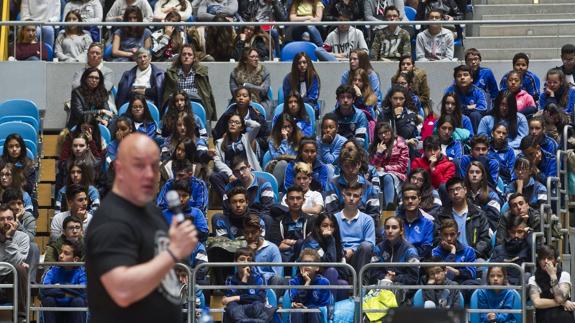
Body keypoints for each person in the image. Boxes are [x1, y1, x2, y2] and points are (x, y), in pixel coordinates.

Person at [86, 134, 199, 322]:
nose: (149, 174)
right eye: (139, 165)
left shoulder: (150, 210)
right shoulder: (111, 220)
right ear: (119, 169)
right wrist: (172, 252)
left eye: (154, 166)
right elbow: (122, 289)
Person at [435, 177, 491, 260]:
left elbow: (484, 240)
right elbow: (437, 238)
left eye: (458, 189)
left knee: (483, 267)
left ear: (465, 190)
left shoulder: (478, 213)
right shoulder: (441, 215)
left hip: (474, 258)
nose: (455, 192)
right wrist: (449, 250)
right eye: (451, 190)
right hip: (447, 255)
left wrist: (471, 254)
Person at [211, 113, 262, 198]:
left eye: (236, 122)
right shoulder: (219, 143)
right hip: (230, 174)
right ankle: (227, 200)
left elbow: (257, 125)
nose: (233, 124)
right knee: (214, 176)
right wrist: (230, 174)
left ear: (242, 127)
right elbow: (217, 161)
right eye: (231, 122)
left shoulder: (247, 137)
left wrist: (243, 121)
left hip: (246, 171)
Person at [162, 45, 217, 122]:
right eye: (184, 54)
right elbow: (167, 93)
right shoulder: (172, 72)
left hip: (196, 102)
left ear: (194, 58)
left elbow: (207, 93)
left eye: (189, 54)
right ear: (180, 57)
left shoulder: (201, 72)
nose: (186, 57)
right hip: (178, 103)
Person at [325, 149, 381, 222]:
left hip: (363, 227)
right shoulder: (332, 184)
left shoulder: (369, 187)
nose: (350, 170)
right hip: (338, 227)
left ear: (359, 164)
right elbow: (331, 213)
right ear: (341, 166)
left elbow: (373, 215)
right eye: (346, 166)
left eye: (353, 165)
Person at [301, 212, 347, 300]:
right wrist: (330, 241)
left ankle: (337, 311)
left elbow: (340, 265)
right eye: (325, 226)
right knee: (331, 271)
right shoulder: (311, 242)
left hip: (328, 277)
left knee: (343, 284)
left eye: (332, 226)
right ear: (318, 228)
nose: (329, 229)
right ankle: (328, 306)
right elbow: (329, 263)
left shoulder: (335, 241)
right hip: (310, 277)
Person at [222, 247, 275, 322]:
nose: (245, 262)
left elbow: (260, 298)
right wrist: (244, 280)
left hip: (254, 309)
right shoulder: (230, 279)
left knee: (257, 305)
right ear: (235, 261)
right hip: (238, 309)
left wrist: (236, 297)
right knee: (232, 307)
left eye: (249, 260)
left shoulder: (259, 278)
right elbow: (228, 301)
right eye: (242, 259)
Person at [40, 239, 87, 323]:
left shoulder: (82, 272)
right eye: (61, 252)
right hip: (56, 310)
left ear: (75, 259)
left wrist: (60, 286)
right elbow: (44, 289)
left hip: (73, 311)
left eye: (66, 253)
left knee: (78, 301)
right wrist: (71, 291)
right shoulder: (53, 269)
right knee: (48, 300)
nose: (61, 255)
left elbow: (83, 291)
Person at [334, 181, 376, 270]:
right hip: (338, 255)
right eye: (349, 194)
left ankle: (361, 282)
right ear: (343, 195)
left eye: (356, 196)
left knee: (366, 246)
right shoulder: (334, 218)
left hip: (359, 256)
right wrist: (342, 252)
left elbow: (370, 244)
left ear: (360, 198)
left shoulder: (367, 220)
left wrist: (353, 250)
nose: (352, 198)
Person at [528, 245, 575, 323]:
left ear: (556, 260)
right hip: (544, 319)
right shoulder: (533, 279)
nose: (546, 261)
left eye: (549, 258)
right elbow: (537, 303)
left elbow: (560, 298)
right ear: (538, 261)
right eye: (543, 258)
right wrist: (564, 303)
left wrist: (553, 276)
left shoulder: (564, 275)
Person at [369, 121, 408, 210]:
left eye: (386, 132)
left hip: (397, 174)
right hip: (378, 174)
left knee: (387, 177)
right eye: (380, 133)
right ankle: (374, 207)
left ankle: (389, 208)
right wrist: (379, 153)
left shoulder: (401, 144)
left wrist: (385, 168)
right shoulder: (375, 146)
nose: (383, 135)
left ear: (390, 131)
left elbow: (402, 166)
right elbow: (371, 166)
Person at [269, 186, 313, 262]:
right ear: (286, 201)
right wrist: (300, 243)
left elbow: (311, 245)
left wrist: (291, 243)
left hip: (305, 257)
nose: (295, 202)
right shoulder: (278, 221)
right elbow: (276, 245)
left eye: (298, 198)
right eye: (292, 198)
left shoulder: (311, 220)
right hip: (284, 258)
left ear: (304, 200)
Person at [371, 216, 419, 285]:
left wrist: (395, 278)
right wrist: (385, 277)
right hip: (381, 286)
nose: (390, 231)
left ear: (401, 231)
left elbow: (413, 278)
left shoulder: (410, 250)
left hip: (402, 289)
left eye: (394, 228)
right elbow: (373, 273)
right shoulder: (378, 248)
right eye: (387, 228)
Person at [0, 205, 30, 316]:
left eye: (9, 218)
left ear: (15, 220)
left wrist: (8, 240)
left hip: (11, 277)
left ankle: (21, 315)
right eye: (2, 219)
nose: (6, 222)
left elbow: (18, 262)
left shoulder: (23, 237)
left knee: (20, 268)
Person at [288, 249, 332, 323]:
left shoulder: (324, 282)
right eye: (304, 262)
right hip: (300, 312)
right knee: (296, 311)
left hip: (316, 313)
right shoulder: (293, 282)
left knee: (313, 311)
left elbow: (325, 305)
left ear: (317, 267)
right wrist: (307, 283)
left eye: (310, 263)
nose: (307, 265)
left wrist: (307, 308)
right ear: (300, 267)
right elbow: (295, 300)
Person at [444, 64, 488, 133]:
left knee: (475, 115)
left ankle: (475, 140)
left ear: (471, 79)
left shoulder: (478, 91)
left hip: (473, 118)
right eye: (459, 76)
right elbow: (447, 108)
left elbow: (483, 108)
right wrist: (468, 107)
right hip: (456, 118)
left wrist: (463, 108)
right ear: (455, 80)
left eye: (465, 75)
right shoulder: (450, 91)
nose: (462, 78)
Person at [431, 219, 477, 284]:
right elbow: (444, 275)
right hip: (443, 286)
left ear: (458, 235)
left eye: (452, 235)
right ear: (440, 235)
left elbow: (472, 274)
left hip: (463, 285)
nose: (449, 238)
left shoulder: (468, 251)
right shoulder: (435, 252)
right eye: (445, 235)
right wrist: (452, 251)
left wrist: (456, 272)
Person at [396, 184, 434, 259]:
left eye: (413, 198)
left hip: (419, 262)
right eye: (406, 198)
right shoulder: (396, 222)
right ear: (402, 200)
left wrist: (407, 249)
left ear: (419, 199)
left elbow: (426, 249)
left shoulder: (428, 223)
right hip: (397, 261)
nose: (410, 201)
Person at [491, 217, 531, 285]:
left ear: (525, 233)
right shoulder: (498, 249)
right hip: (502, 286)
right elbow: (491, 271)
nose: (516, 235)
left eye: (520, 232)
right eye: (513, 232)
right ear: (508, 232)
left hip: (521, 286)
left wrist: (530, 234)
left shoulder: (529, 249)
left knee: (527, 275)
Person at [464, 161, 501, 230]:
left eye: (477, 172)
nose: (474, 175)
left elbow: (493, 219)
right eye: (471, 172)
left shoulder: (492, 195)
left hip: (485, 229)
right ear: (467, 175)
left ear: (482, 176)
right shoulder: (463, 193)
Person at [1, 133, 36, 197]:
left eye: (17, 146)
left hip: (22, 198)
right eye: (11, 146)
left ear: (22, 148)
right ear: (6, 148)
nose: (14, 149)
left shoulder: (29, 164)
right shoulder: (0, 162)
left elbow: (29, 188)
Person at [350, 69, 378, 139]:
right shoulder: (347, 95)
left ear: (365, 83)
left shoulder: (371, 97)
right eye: (355, 80)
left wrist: (360, 97)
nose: (356, 83)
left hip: (365, 129)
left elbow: (369, 116)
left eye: (360, 80)